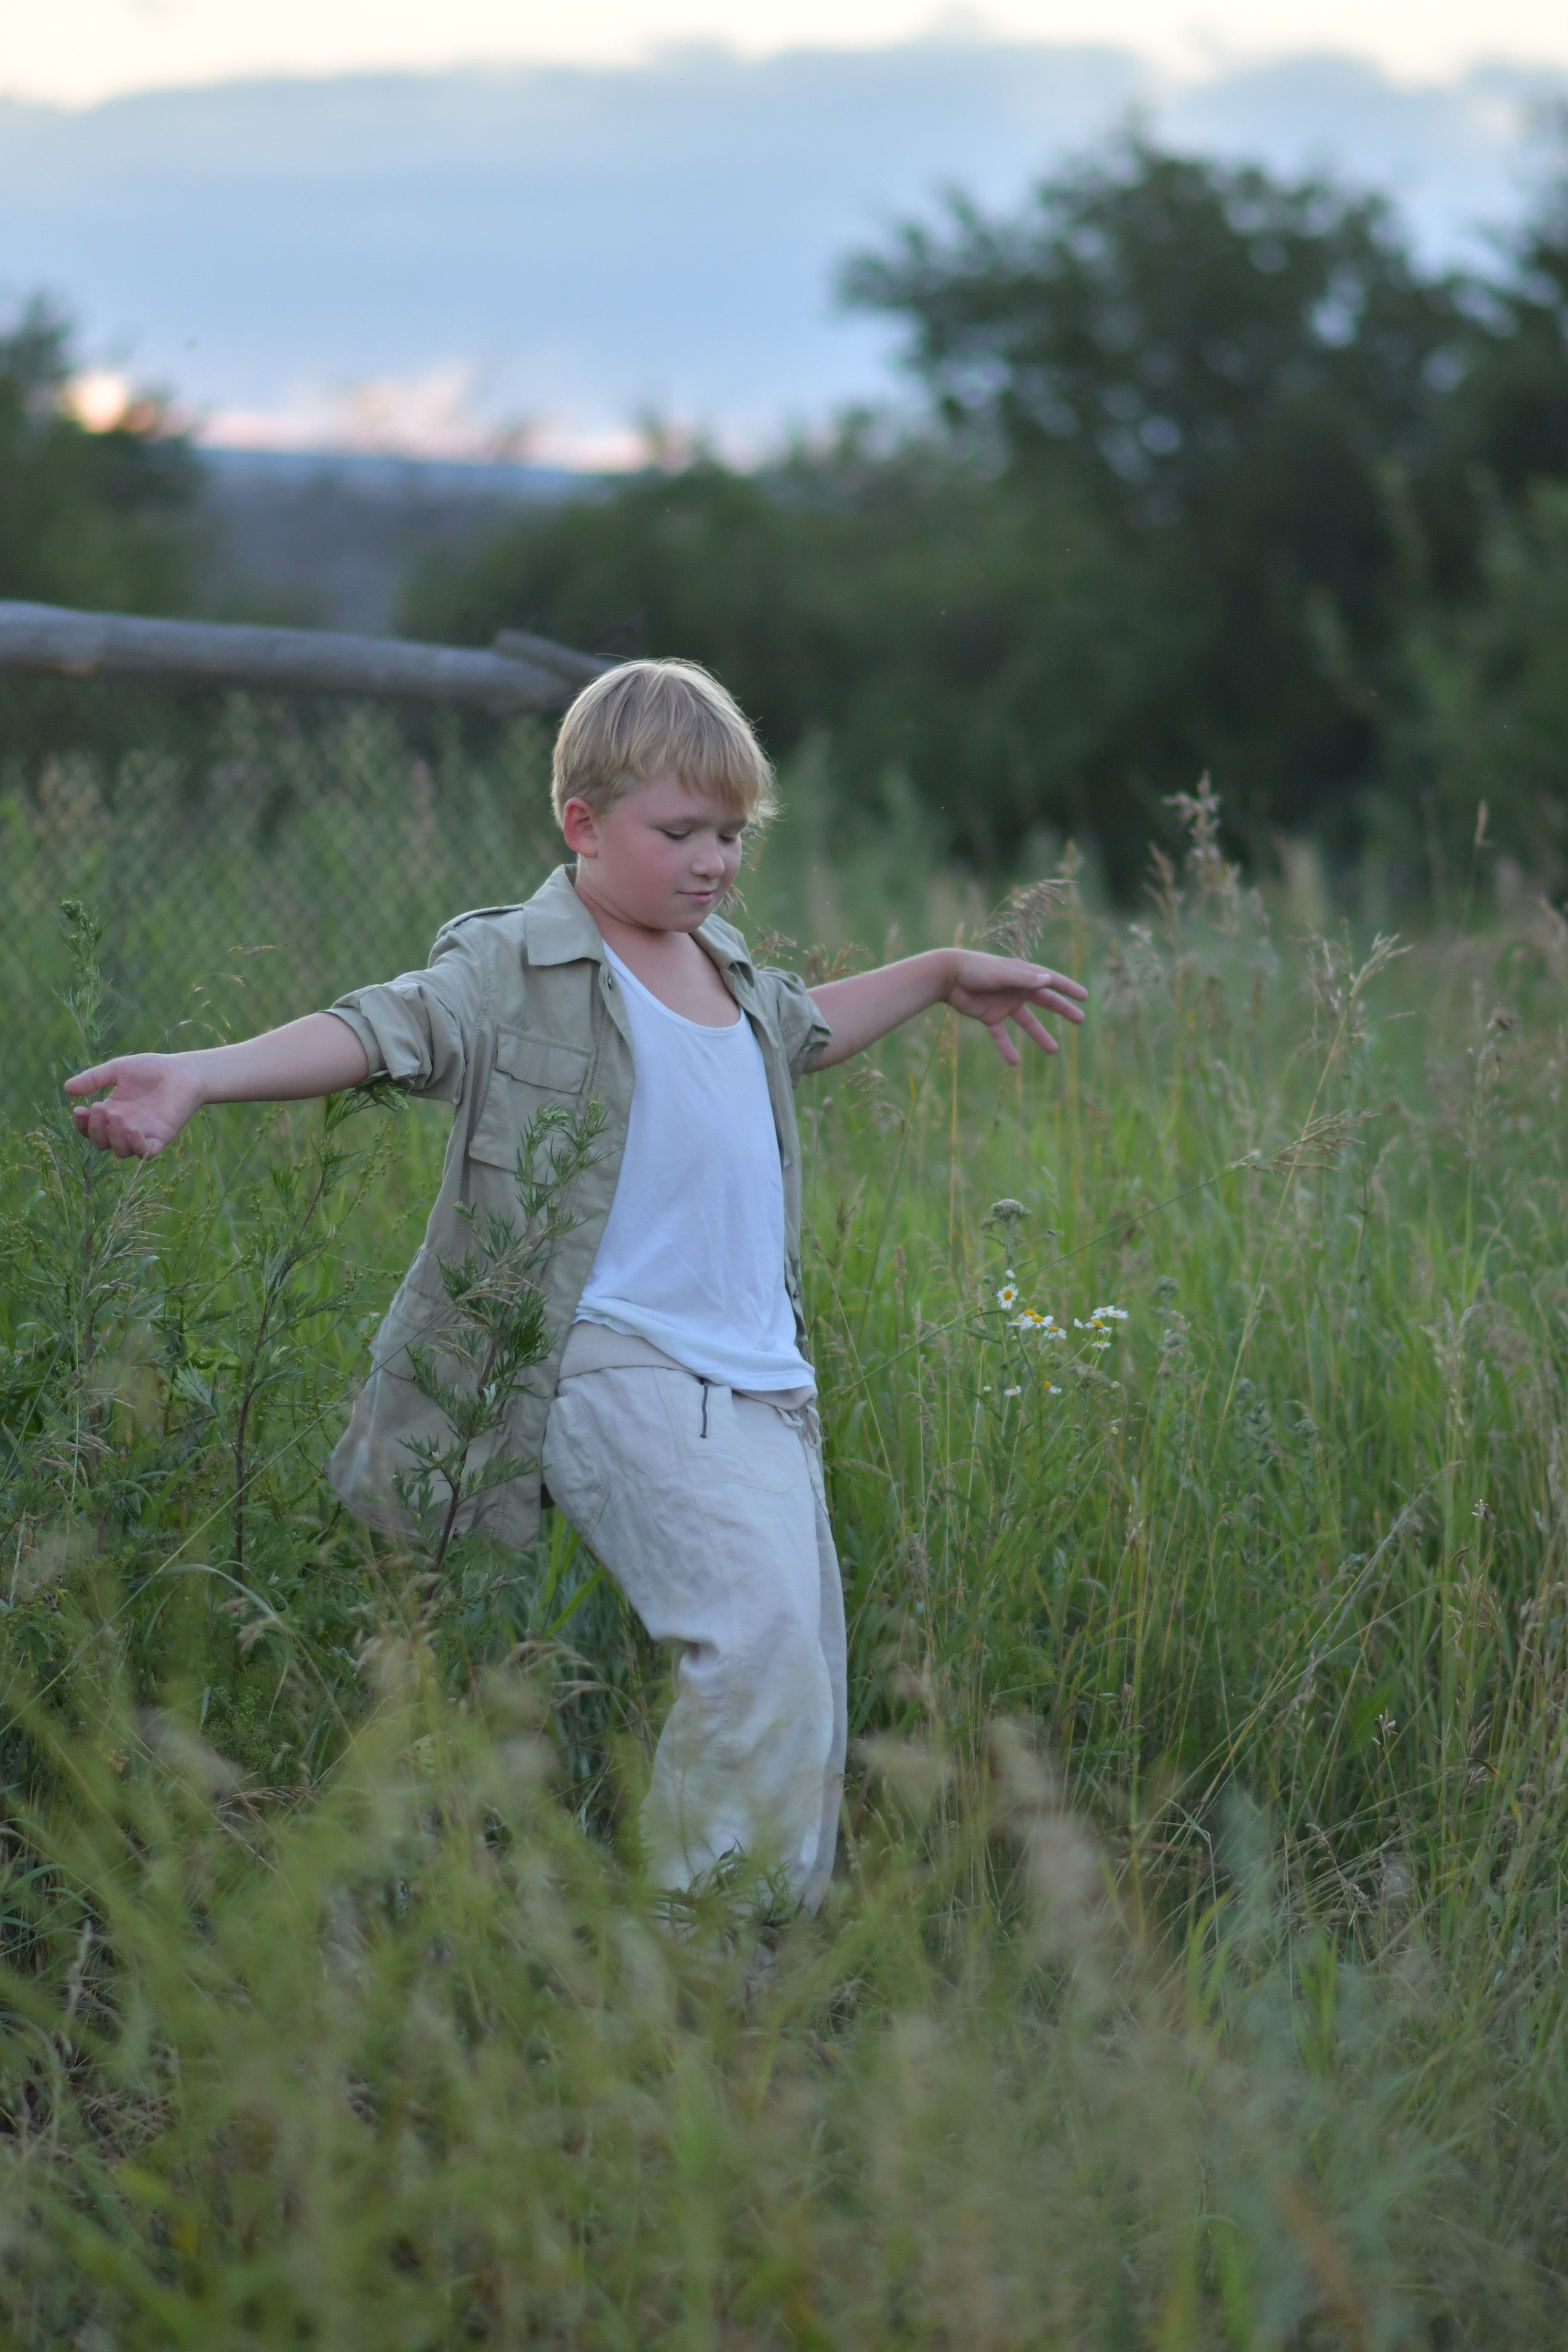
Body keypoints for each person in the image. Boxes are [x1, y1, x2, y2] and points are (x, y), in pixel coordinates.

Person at [66, 658, 1087, 1910]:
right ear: (583, 824)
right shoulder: (520, 965)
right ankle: (704, 1961)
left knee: (798, 1676)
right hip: (613, 1360)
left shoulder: (719, 967)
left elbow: (798, 1034)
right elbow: (384, 1026)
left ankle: (754, 1969)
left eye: (730, 834)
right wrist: (201, 1075)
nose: (711, 861)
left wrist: (934, 974)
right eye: (678, 834)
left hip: (763, 1384)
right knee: (751, 1648)